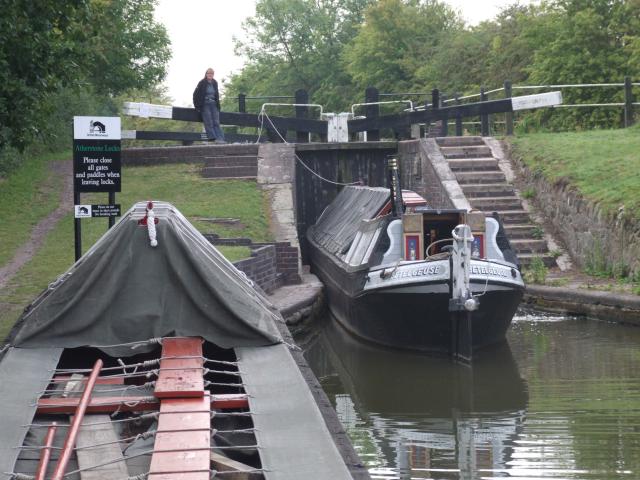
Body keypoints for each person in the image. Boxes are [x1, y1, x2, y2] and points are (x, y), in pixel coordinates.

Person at [193, 68, 226, 143]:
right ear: (206, 74)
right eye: (208, 73)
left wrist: (218, 105)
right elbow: (195, 94)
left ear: (213, 75)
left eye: (211, 74)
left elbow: (216, 94)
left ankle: (220, 139)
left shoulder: (215, 82)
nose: (210, 75)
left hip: (214, 103)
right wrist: (197, 106)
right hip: (205, 104)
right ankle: (213, 137)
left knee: (216, 122)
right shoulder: (202, 82)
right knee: (208, 121)